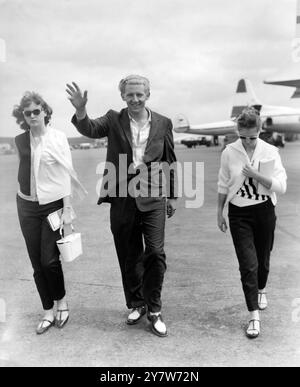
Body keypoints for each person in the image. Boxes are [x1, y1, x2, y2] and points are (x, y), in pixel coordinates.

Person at [66, 75, 177, 337]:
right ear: (123, 96)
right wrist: (81, 110)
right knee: (129, 255)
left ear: (148, 94)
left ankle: (155, 309)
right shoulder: (114, 119)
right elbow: (90, 129)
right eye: (130, 95)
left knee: (155, 253)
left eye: (140, 94)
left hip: (153, 196)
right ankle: (136, 303)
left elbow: (169, 159)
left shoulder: (163, 123)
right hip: (122, 197)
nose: (135, 99)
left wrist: (172, 195)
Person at [13, 91, 86, 335]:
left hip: (52, 206)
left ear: (45, 112)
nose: (33, 115)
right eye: (28, 113)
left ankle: (61, 302)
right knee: (36, 263)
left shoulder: (58, 138)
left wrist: (67, 209)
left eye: (37, 111)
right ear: (23, 116)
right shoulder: (20, 140)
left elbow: (66, 173)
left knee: (49, 260)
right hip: (26, 206)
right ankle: (47, 310)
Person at [217, 107, 287, 339]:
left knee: (263, 261)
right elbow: (223, 183)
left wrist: (256, 175)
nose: (247, 142)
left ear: (260, 132)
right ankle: (253, 316)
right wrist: (220, 212)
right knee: (248, 265)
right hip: (239, 214)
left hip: (265, 211)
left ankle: (262, 289)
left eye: (252, 137)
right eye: (243, 137)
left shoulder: (270, 151)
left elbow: (281, 186)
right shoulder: (229, 151)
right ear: (238, 132)